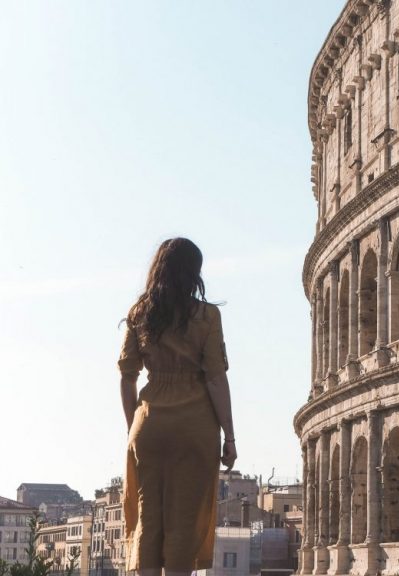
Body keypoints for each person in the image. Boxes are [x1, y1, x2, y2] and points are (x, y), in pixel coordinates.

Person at [118, 237, 237, 575]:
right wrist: (229, 436)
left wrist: (133, 427)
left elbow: (127, 377)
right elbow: (215, 377)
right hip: (194, 424)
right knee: (185, 519)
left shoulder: (140, 313)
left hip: (149, 422)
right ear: (194, 272)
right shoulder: (207, 315)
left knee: (148, 517)